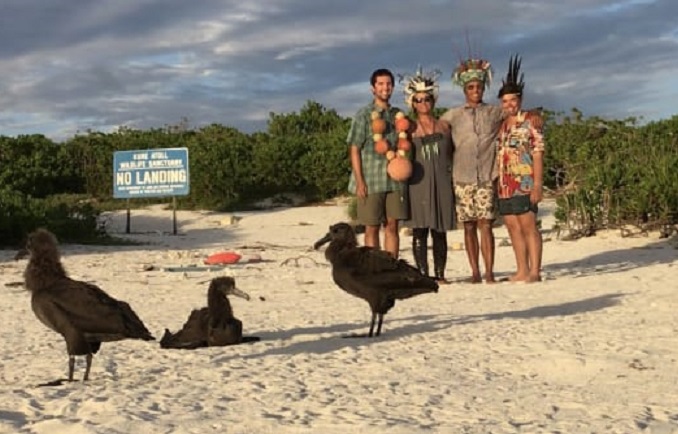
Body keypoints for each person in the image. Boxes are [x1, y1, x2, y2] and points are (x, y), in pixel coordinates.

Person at [440, 58, 501, 284]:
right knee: (468, 225)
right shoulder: (452, 114)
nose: (475, 91)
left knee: (486, 223)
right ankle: (475, 272)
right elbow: (436, 130)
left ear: (484, 88)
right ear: (464, 89)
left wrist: (532, 113)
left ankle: (489, 271)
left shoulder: (495, 112)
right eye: (471, 87)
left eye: (479, 87)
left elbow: (513, 115)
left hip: (486, 175)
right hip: (462, 176)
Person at [399, 67, 455, 284]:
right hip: (418, 184)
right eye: (419, 100)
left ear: (434, 99)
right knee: (420, 230)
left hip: (441, 181)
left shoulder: (444, 126)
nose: (423, 103)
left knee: (440, 231)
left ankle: (440, 274)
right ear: (412, 102)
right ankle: (422, 275)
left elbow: (452, 152)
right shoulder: (409, 129)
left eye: (427, 99)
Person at [347, 68, 408, 258]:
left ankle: (391, 268)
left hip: (394, 180)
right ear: (373, 88)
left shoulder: (398, 115)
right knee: (371, 227)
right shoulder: (364, 114)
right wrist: (359, 181)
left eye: (388, 84)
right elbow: (354, 148)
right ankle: (373, 269)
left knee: (392, 226)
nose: (385, 87)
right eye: (380, 84)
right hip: (371, 180)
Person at [495, 55, 544, 282]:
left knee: (528, 225)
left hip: (525, 182)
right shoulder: (501, 126)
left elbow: (537, 154)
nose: (509, 105)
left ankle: (535, 270)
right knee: (513, 227)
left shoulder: (530, 123)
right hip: (505, 184)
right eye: (504, 101)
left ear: (520, 100)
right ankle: (521, 269)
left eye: (512, 100)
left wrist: (537, 184)